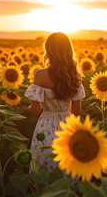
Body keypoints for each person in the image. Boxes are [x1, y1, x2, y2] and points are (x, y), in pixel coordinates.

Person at [24, 32, 85, 174]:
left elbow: (35, 111)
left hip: (45, 125)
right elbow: (76, 112)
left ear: (48, 50)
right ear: (68, 50)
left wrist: (29, 106)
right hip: (67, 125)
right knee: (66, 167)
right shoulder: (75, 75)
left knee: (43, 167)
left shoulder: (40, 75)